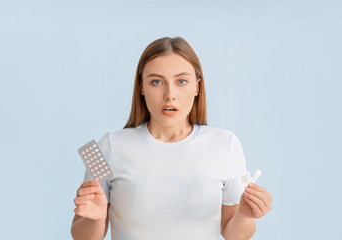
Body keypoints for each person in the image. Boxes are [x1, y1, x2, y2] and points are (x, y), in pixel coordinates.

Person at [70, 36, 273, 240]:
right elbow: (81, 235)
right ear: (141, 87)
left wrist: (245, 216)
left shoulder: (226, 145)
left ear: (197, 87)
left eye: (182, 81)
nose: (170, 94)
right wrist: (95, 219)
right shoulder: (106, 147)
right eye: (156, 82)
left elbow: (234, 234)